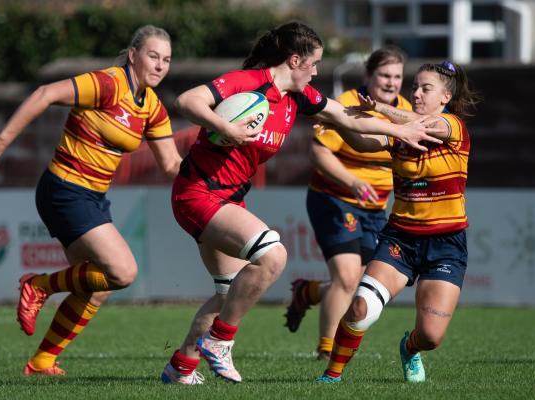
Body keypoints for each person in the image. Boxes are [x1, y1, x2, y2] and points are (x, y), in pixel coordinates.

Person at [160, 21, 442, 385]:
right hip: (197, 191)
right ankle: (220, 341)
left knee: (228, 293)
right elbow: (186, 101)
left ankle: (180, 368)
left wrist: (399, 130)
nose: (317, 71)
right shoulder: (248, 81)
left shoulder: (299, 97)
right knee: (273, 255)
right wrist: (226, 128)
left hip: (228, 197)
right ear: (295, 61)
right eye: (315, 63)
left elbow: (344, 116)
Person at [0, 25, 181, 376]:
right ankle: (38, 285)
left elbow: (173, 166)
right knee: (123, 272)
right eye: (153, 56)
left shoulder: (153, 109)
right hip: (64, 189)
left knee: (95, 285)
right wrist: (1, 141)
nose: (161, 65)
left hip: (94, 196)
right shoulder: (108, 83)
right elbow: (44, 94)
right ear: (133, 55)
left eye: (167, 60)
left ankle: (41, 361)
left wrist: (218, 158)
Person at [316, 60, 481, 383]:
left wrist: (377, 108)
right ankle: (331, 377)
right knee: (361, 309)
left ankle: (408, 347)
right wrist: (331, 116)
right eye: (415, 87)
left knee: (431, 337)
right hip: (400, 240)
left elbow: (422, 123)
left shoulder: (454, 127)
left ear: (445, 97)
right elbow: (364, 140)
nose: (415, 93)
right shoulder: (400, 134)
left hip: (446, 244)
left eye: (425, 88)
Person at [284, 46, 412, 361]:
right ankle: (326, 351)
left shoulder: (405, 109)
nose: (391, 82)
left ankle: (309, 292)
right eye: (384, 75)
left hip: (376, 208)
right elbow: (319, 153)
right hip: (334, 199)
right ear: (369, 75)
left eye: (397, 76)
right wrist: (352, 181)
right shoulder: (347, 105)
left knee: (366, 283)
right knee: (346, 276)